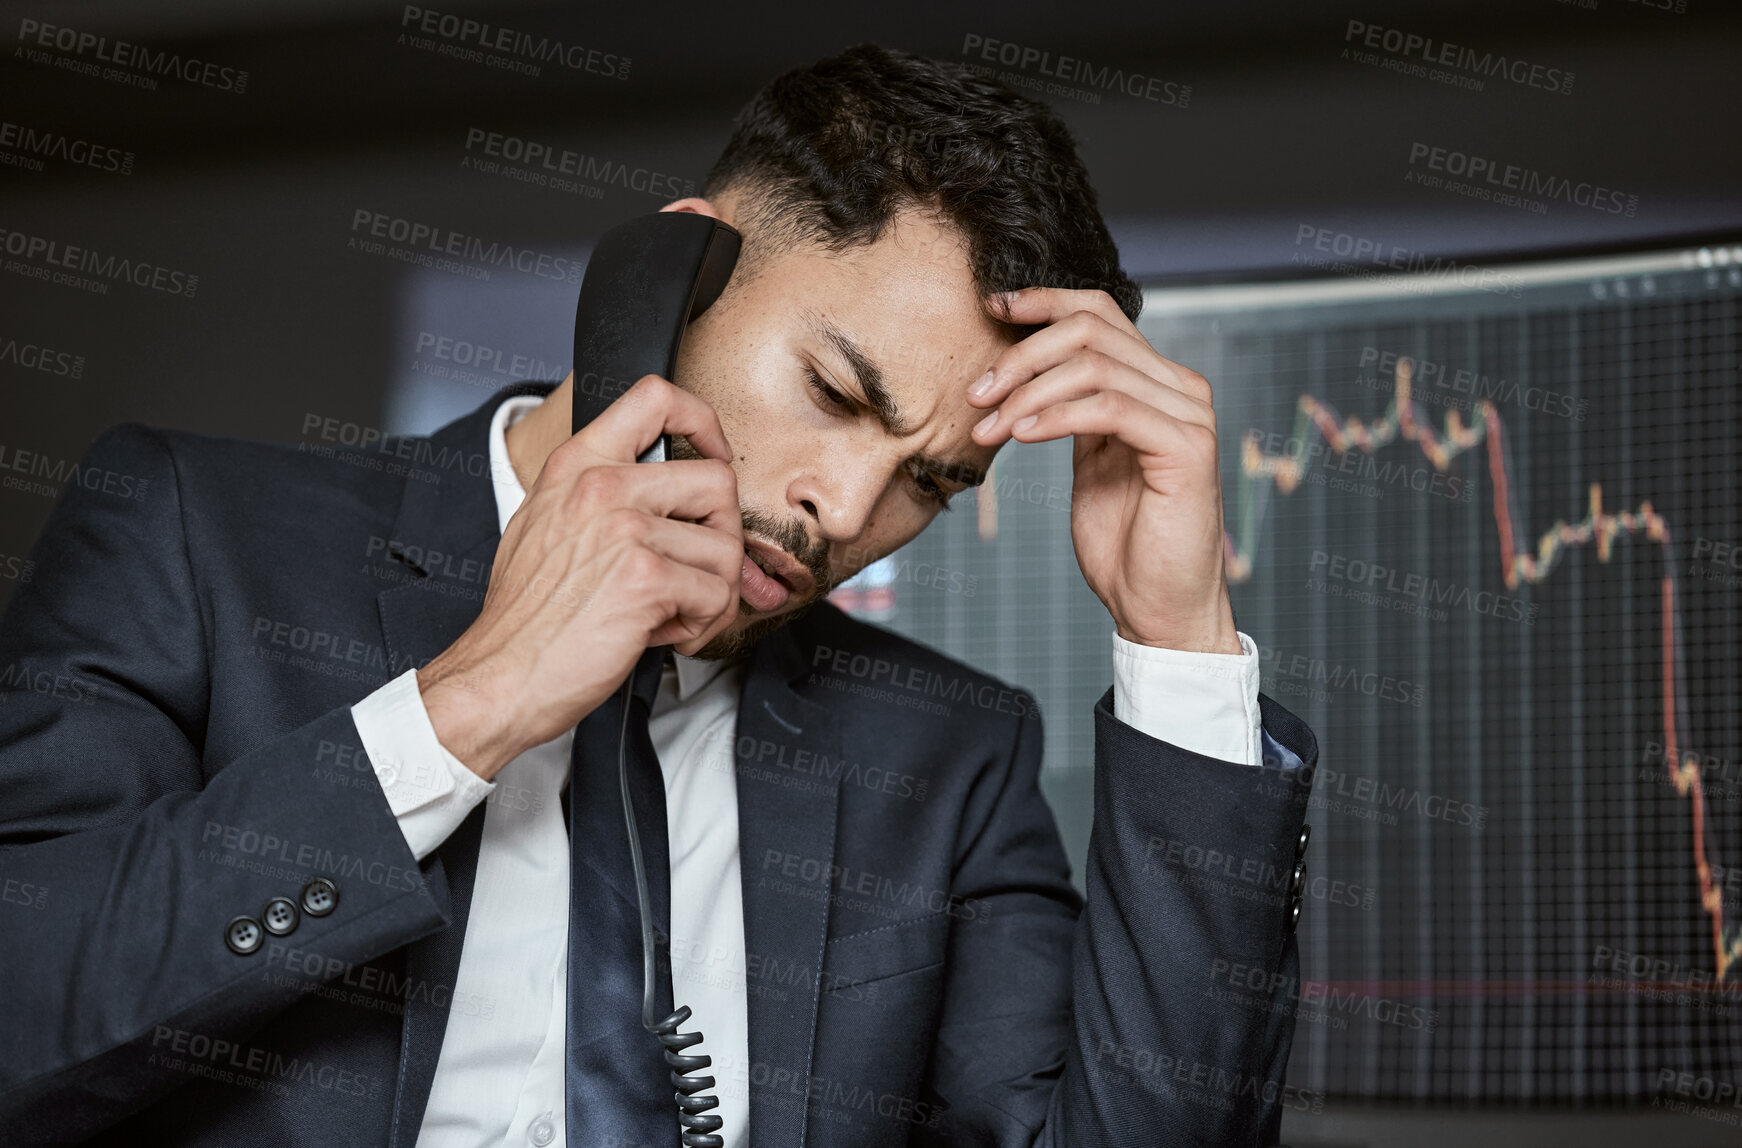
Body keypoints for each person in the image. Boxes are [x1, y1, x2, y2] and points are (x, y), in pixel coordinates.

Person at [0, 43, 1317, 1148]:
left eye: (933, 479)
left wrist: (1180, 643)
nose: (847, 514)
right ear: (666, 280)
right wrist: (473, 705)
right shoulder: (192, 530)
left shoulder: (951, 755)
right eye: (836, 394)